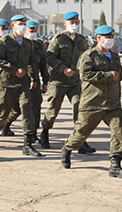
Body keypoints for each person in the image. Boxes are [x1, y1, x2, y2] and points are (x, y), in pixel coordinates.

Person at [61, 25, 122, 179]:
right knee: (80, 134)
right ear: (98, 38)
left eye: (112, 37)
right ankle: (67, 148)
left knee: (119, 129)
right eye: (107, 38)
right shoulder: (89, 56)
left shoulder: (113, 55)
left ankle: (115, 164)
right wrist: (107, 75)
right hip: (93, 103)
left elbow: (117, 76)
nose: (110, 40)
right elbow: (85, 75)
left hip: (112, 104)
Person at [0, 15, 41, 156]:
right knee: (3, 114)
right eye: (19, 24)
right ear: (13, 26)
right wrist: (15, 70)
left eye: (24, 24)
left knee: (27, 108)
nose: (22, 27)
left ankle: (27, 144)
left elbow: (31, 63)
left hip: (23, 82)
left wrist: (34, 78)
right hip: (6, 82)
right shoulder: (5, 40)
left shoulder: (27, 43)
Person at [40, 11, 95, 154]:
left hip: (76, 82)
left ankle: (81, 141)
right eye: (71, 22)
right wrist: (63, 69)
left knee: (79, 110)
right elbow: (50, 57)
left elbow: (88, 58)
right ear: (65, 23)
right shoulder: (58, 39)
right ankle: (45, 132)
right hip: (58, 81)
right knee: (53, 110)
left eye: (76, 22)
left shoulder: (82, 40)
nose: (74, 25)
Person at [4, 20, 49, 146]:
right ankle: (7, 123)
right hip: (20, 80)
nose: (33, 34)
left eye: (35, 31)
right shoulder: (17, 43)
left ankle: (32, 134)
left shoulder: (39, 45)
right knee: (17, 109)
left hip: (35, 80)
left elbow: (43, 65)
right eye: (31, 31)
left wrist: (45, 81)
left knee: (35, 107)